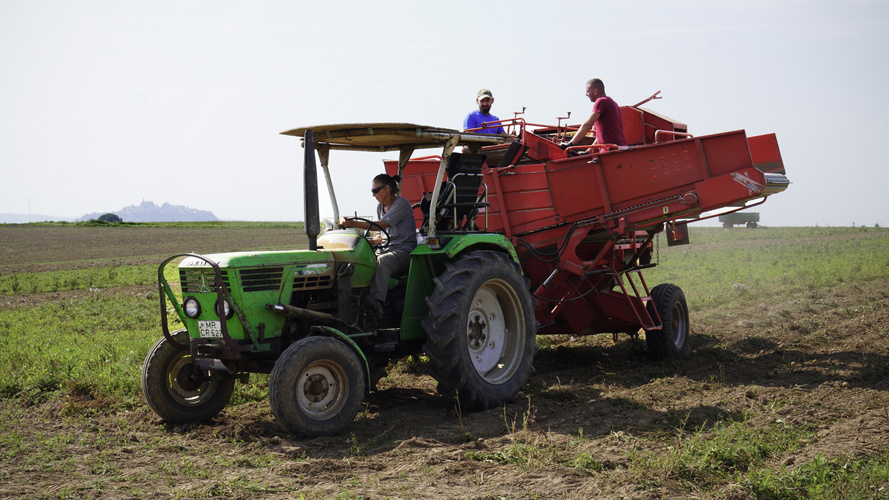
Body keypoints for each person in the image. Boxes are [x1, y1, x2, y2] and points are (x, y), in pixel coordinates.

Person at [339, 173, 417, 317]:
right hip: (388, 248)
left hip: (404, 251)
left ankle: (376, 301)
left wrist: (353, 223)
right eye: (372, 191)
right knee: (363, 260)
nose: (373, 195)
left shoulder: (401, 204)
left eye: (375, 191)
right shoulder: (380, 207)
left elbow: (382, 225)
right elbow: (381, 234)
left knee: (383, 261)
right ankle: (355, 298)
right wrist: (367, 241)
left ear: (387, 188)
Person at [561, 78, 627, 151]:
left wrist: (570, 144)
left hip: (610, 150)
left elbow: (587, 125)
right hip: (621, 148)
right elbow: (602, 136)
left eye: (588, 91)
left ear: (595, 91)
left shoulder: (601, 101)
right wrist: (588, 151)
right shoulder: (614, 103)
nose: (586, 94)